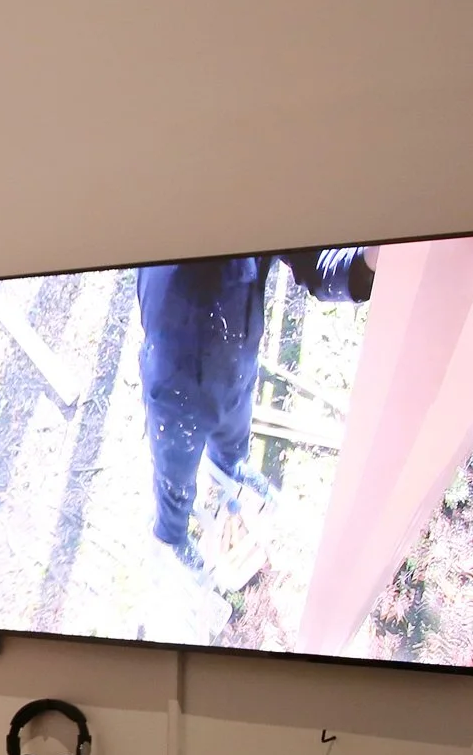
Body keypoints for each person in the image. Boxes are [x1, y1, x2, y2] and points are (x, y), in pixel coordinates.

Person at [138, 246, 376, 577]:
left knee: (234, 433)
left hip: (238, 361)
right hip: (176, 386)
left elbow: (316, 265)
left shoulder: (266, 203)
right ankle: (172, 533)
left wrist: (369, 262)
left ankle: (229, 466)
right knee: (174, 475)